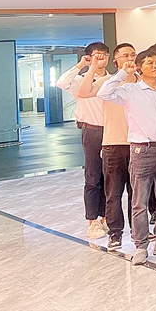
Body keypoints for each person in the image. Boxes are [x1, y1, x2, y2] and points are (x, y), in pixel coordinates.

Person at [98, 47, 156, 266]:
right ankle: (141, 246)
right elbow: (103, 93)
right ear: (139, 68)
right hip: (142, 151)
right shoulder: (130, 90)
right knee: (139, 202)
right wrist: (123, 73)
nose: (155, 66)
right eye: (149, 63)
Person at [80, 43, 136, 251]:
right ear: (116, 61)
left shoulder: (141, 82)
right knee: (113, 193)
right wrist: (93, 67)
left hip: (137, 143)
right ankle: (115, 233)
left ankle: (138, 231)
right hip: (114, 143)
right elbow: (83, 92)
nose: (129, 58)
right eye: (124, 55)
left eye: (132, 54)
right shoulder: (108, 82)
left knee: (138, 193)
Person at [56, 42, 110, 239]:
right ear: (89, 56)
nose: (101, 57)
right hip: (92, 131)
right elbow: (61, 83)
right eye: (96, 54)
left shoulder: (112, 79)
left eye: (104, 54)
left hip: (112, 131)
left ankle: (106, 218)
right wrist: (82, 65)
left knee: (110, 177)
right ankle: (92, 221)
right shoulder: (80, 81)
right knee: (93, 177)